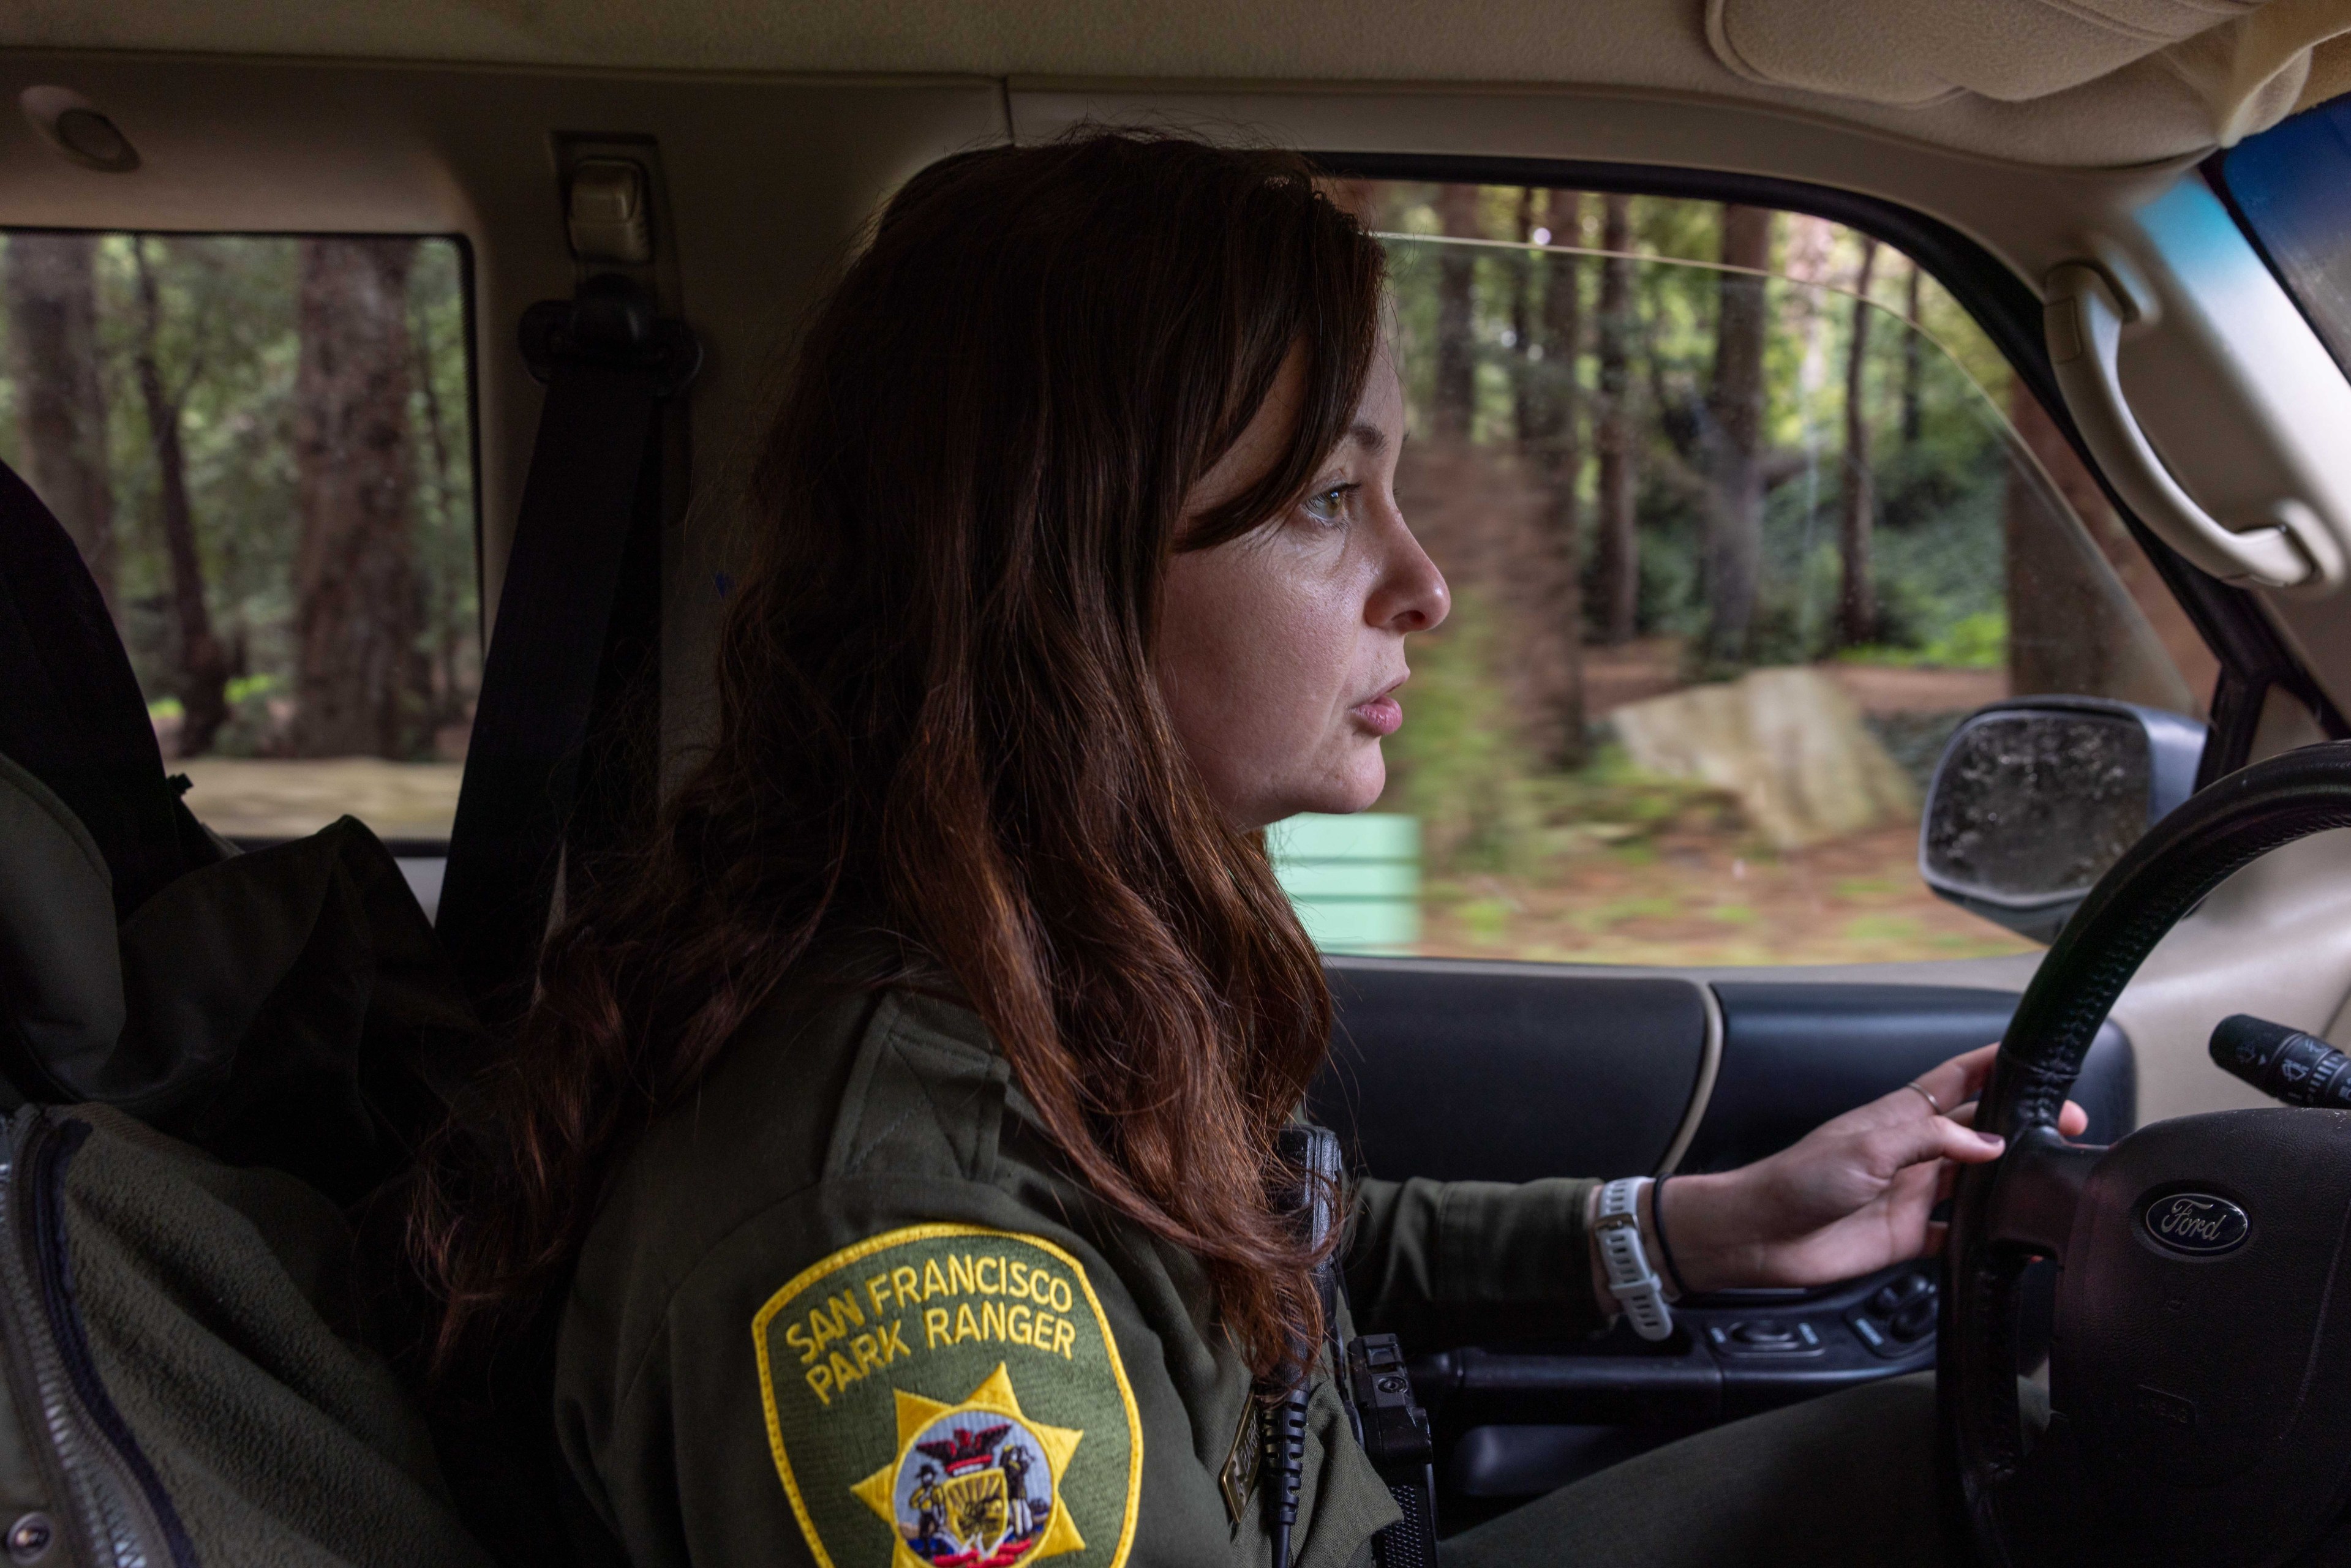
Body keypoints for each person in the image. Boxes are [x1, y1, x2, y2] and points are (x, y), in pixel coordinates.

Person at [408, 131, 2085, 1567]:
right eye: (1325, 501)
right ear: (1058, 572)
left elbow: (1258, 1237)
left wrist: (1694, 1228)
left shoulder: (1044, 961)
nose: (1426, 583)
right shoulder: (900, 1246)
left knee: (1956, 1458)